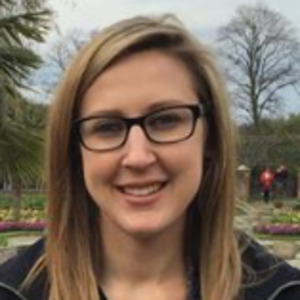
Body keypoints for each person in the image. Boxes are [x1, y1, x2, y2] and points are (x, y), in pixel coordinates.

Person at [1, 14, 300, 300]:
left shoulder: (282, 291)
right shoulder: (13, 292)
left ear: (210, 138)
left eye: (166, 120)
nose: (138, 157)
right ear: (74, 151)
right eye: (107, 127)